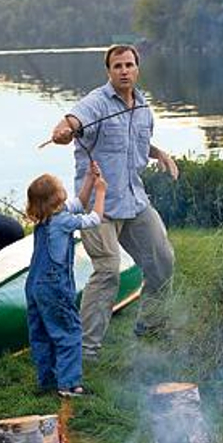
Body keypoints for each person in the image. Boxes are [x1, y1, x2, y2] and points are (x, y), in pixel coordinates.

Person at [50, 44, 178, 360]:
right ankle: (85, 350)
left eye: (129, 65)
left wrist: (157, 152)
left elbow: (135, 141)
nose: (124, 71)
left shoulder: (143, 106)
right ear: (109, 71)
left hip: (134, 201)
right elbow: (72, 122)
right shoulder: (95, 102)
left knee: (162, 262)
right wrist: (64, 131)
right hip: (99, 205)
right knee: (108, 272)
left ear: (137, 69)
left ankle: (150, 325)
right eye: (117, 66)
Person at [25, 162, 106, 397]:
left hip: (34, 286)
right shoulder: (63, 221)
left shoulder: (45, 217)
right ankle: (70, 385)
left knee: (41, 333)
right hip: (54, 287)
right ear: (56, 197)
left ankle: (47, 381)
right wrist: (101, 193)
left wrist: (90, 179)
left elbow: (79, 203)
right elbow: (93, 218)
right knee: (68, 331)